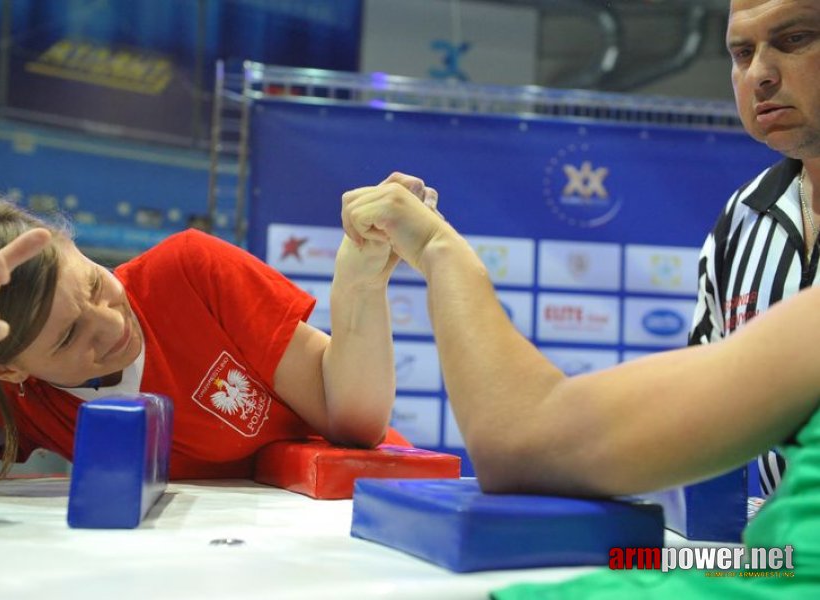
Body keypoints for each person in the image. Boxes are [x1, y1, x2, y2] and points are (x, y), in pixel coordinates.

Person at [342, 172, 819, 596]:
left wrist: (435, 248)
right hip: (764, 563)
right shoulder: (746, 215)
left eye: (794, 60)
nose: (759, 74)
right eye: (738, 62)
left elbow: (521, 436)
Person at [0, 173, 432, 480]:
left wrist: (359, 283)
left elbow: (355, 422)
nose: (110, 323)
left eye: (97, 284)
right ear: (10, 371)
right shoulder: (14, 398)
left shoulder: (189, 271)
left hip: (363, 510)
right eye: (70, 336)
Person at [689, 0, 820, 497]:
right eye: (742, 52)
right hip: (784, 560)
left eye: (793, 40)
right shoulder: (741, 218)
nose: (760, 74)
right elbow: (701, 413)